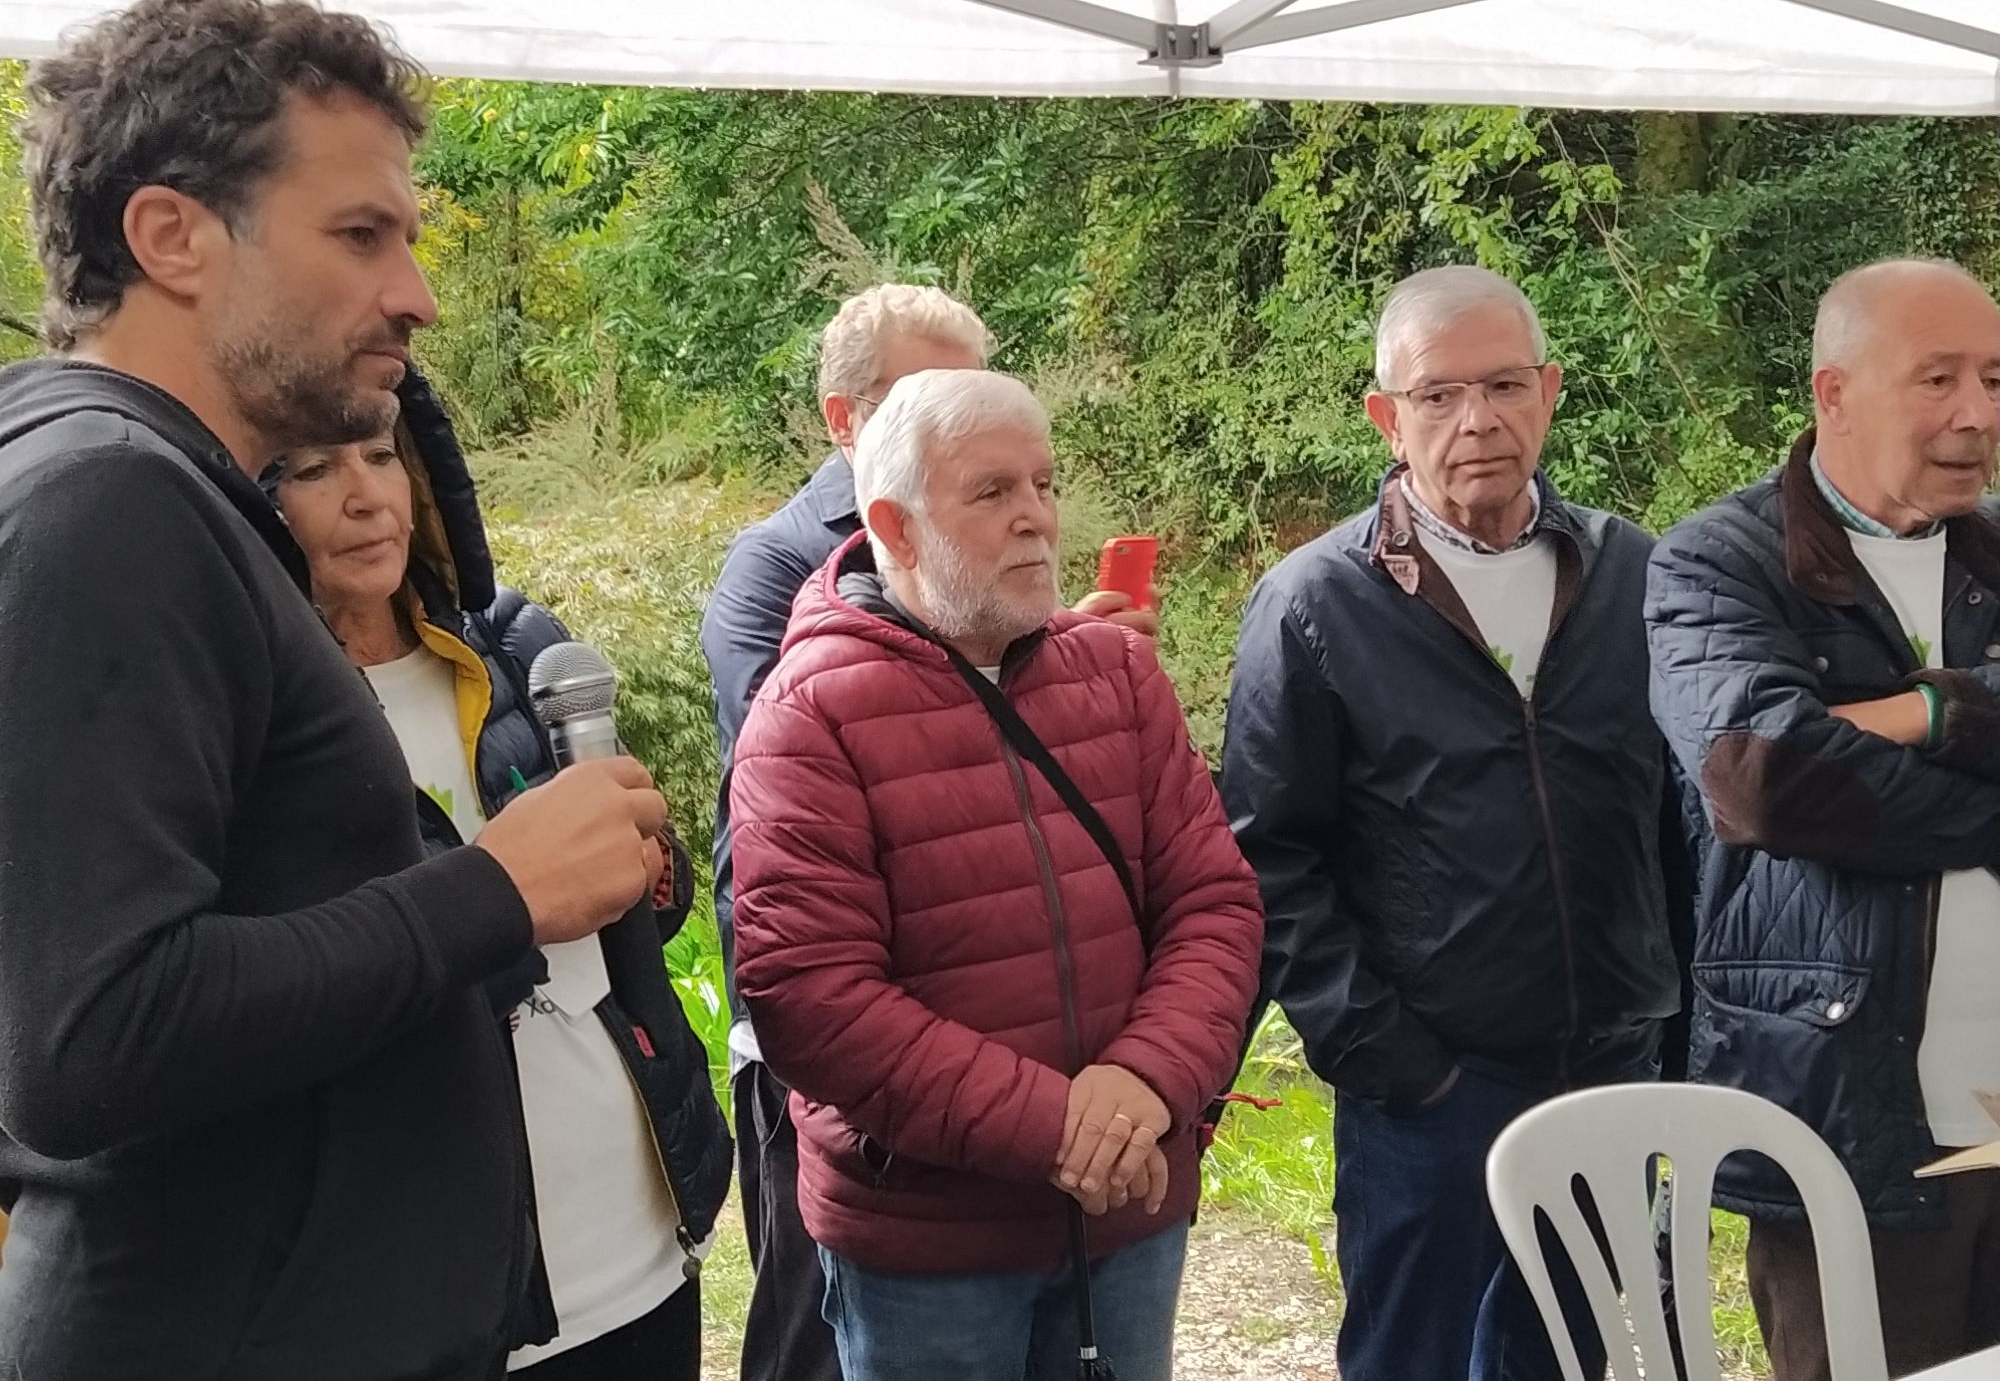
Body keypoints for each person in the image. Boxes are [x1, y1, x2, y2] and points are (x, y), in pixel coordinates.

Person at [0, 0, 668, 1380]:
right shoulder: (106, 503)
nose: (415, 296)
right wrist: (499, 890)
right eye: (361, 235)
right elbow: (89, 1042)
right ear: (171, 235)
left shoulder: (155, 491)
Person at [728, 368, 1262, 1381]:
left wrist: (1145, 1082)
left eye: (1044, 485)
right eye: (992, 493)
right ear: (894, 522)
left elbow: (1213, 904)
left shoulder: (1116, 676)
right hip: (930, 1249)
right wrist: (1059, 1126)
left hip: (1128, 1210)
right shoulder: (808, 717)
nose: (1035, 520)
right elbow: (814, 999)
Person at [1221, 265, 1687, 1381]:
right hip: (1431, 1094)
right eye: (1435, 396)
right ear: (1385, 417)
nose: (1474, 420)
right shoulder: (1315, 604)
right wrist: (1389, 1058)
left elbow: (1682, 820)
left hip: (1610, 1069)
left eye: (1502, 386)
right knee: (1412, 1361)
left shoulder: (1633, 573)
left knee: (1568, 1355)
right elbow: (1263, 856)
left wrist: (1676, 1030)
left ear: (1549, 394)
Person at [269, 364, 733, 1379]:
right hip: (447, 1282)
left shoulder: (520, 646)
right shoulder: (257, 715)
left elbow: (645, 922)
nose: (367, 494)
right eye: (311, 468)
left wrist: (649, 871)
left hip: (642, 1233)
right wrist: (494, 900)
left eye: (383, 454)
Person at [1648, 257, 2000, 1378]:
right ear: (1832, 393)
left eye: (1992, 379)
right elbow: (1761, 776)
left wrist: (1906, 715)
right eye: (1935, 378)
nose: (1974, 415)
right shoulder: (1718, 562)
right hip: (1844, 1117)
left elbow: (1821, 766)